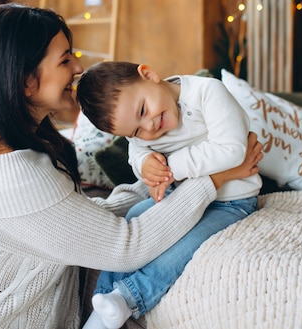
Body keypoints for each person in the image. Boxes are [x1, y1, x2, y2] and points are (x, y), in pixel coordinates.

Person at [0, 3, 263, 329]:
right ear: (26, 81)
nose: (79, 68)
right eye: (65, 60)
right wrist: (214, 177)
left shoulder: (2, 154)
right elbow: (125, 247)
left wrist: (160, 176)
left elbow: (79, 219)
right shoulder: (11, 175)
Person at [77, 61, 264, 329]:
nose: (149, 127)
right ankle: (102, 303)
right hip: (181, 198)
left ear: (149, 74)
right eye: (136, 130)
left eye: (143, 110)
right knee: (134, 217)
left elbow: (233, 150)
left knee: (187, 242)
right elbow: (137, 152)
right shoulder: (142, 128)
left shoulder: (206, 92)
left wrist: (170, 169)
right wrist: (144, 166)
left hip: (231, 203)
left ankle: (130, 297)